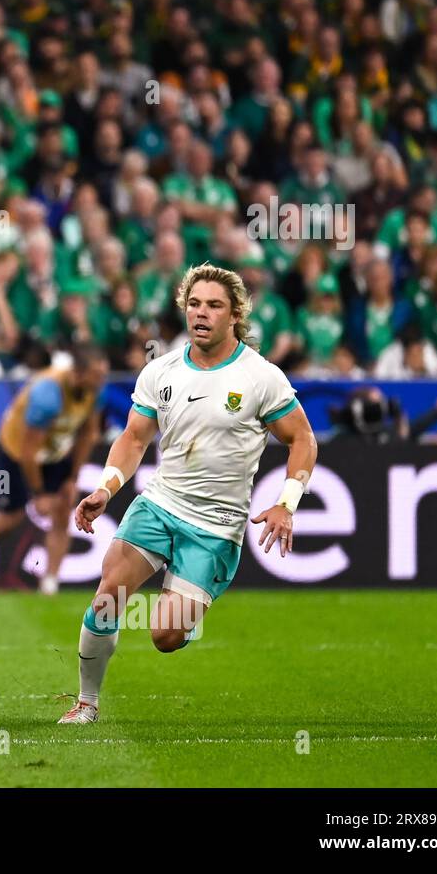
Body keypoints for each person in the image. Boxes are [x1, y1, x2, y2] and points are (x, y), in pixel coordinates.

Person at [64, 265, 318, 725]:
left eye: (214, 305)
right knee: (107, 597)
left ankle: (185, 597)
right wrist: (106, 488)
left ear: (235, 314)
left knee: (164, 635)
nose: (202, 313)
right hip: (160, 503)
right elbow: (135, 438)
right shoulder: (160, 371)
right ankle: (86, 703)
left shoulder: (261, 377)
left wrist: (287, 502)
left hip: (217, 525)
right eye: (194, 303)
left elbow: (303, 439)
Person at [0, 346, 108, 597]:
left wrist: (72, 478)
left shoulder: (94, 391)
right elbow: (29, 452)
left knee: (63, 508)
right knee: (12, 517)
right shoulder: (47, 394)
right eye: (97, 375)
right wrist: (39, 493)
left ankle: (49, 584)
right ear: (79, 374)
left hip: (55, 450)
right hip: (17, 451)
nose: (101, 381)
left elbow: (87, 435)